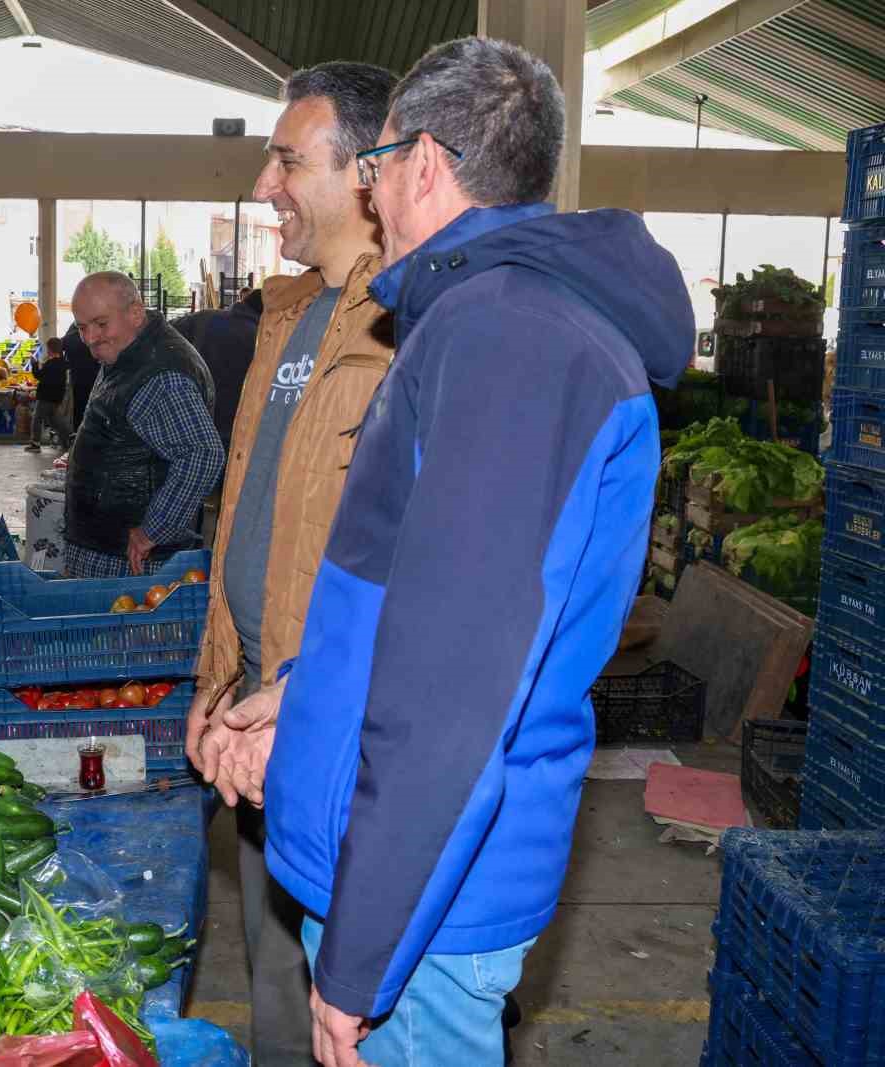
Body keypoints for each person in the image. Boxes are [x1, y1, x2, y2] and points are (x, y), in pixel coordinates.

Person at [201, 38, 694, 1067]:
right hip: (408, 880)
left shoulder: (509, 341)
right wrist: (308, 695)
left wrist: (358, 964)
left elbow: (455, 692)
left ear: (423, 164)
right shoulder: (485, 322)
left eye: (376, 165)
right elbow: (420, 606)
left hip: (420, 910)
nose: (370, 194)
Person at [184, 60, 397, 1067]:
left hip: (342, 722)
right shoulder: (287, 313)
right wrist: (218, 682)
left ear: (367, 171)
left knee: (355, 991)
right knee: (276, 978)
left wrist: (309, 700)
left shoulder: (409, 326)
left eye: (287, 161)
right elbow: (252, 505)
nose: (264, 184)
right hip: (258, 710)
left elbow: (420, 564)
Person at [63, 272, 224, 578]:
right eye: (82, 328)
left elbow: (202, 454)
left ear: (136, 313)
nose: (90, 338)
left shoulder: (159, 375)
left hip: (126, 562)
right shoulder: (130, 354)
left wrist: (153, 530)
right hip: (112, 550)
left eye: (101, 324)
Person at [171, 287, 264, 453]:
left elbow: (163, 333)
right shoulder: (261, 339)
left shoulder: (204, 317)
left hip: (189, 421)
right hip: (232, 430)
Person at [26, 336, 72, 452]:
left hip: (45, 396)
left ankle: (35, 444)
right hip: (57, 397)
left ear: (50, 349)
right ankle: (68, 441)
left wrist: (34, 364)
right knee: (55, 421)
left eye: (47, 348)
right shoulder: (63, 363)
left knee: (37, 418)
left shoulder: (50, 364)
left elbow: (39, 375)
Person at [61, 321, 98, 428]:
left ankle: (78, 430)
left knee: (79, 406)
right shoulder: (93, 335)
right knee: (94, 405)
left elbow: (60, 348)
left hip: (77, 377)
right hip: (95, 376)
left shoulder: (69, 338)